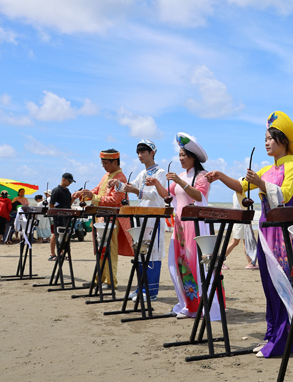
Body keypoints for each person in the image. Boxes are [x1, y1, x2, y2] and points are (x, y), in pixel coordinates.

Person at [206, 112, 293, 358]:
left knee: (282, 286)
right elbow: (241, 186)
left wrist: (260, 184)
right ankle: (272, 335)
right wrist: (219, 176)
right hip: (264, 232)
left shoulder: (292, 167)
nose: (267, 142)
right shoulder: (266, 169)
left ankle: (283, 340)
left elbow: (285, 195)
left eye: (271, 138)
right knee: (269, 287)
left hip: (281, 235)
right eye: (266, 138)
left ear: (283, 140)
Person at [165, 133, 218, 320]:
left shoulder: (202, 176)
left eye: (183, 155)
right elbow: (170, 196)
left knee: (195, 265)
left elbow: (199, 196)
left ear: (193, 157)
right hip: (178, 227)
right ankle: (188, 304)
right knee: (177, 265)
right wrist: (156, 184)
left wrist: (179, 182)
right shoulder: (180, 175)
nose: (180, 158)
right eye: (179, 155)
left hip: (194, 227)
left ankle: (199, 306)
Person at [121, 140, 168, 301]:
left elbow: (157, 195)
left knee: (153, 252)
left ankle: (151, 291)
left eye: (143, 152)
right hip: (141, 217)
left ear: (152, 153)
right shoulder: (142, 174)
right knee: (141, 251)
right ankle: (141, 287)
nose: (140, 156)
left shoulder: (160, 172)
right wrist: (118, 185)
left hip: (154, 217)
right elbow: (130, 186)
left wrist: (136, 191)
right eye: (138, 153)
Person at [77, 151, 131, 288]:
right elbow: (96, 191)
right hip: (102, 216)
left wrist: (93, 197)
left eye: (105, 163)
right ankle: (99, 278)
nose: (103, 166)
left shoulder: (121, 178)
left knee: (109, 248)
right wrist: (83, 194)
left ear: (115, 162)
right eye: (103, 163)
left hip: (112, 218)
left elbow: (115, 200)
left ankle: (110, 280)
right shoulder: (106, 176)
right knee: (101, 248)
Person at [48, 173, 75, 259]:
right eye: (69, 181)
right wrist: (54, 215)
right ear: (64, 179)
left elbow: (68, 204)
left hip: (67, 215)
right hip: (58, 215)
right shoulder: (56, 190)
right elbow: (51, 204)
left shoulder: (67, 191)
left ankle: (61, 253)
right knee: (56, 234)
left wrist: (74, 198)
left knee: (64, 233)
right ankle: (52, 254)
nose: (70, 183)